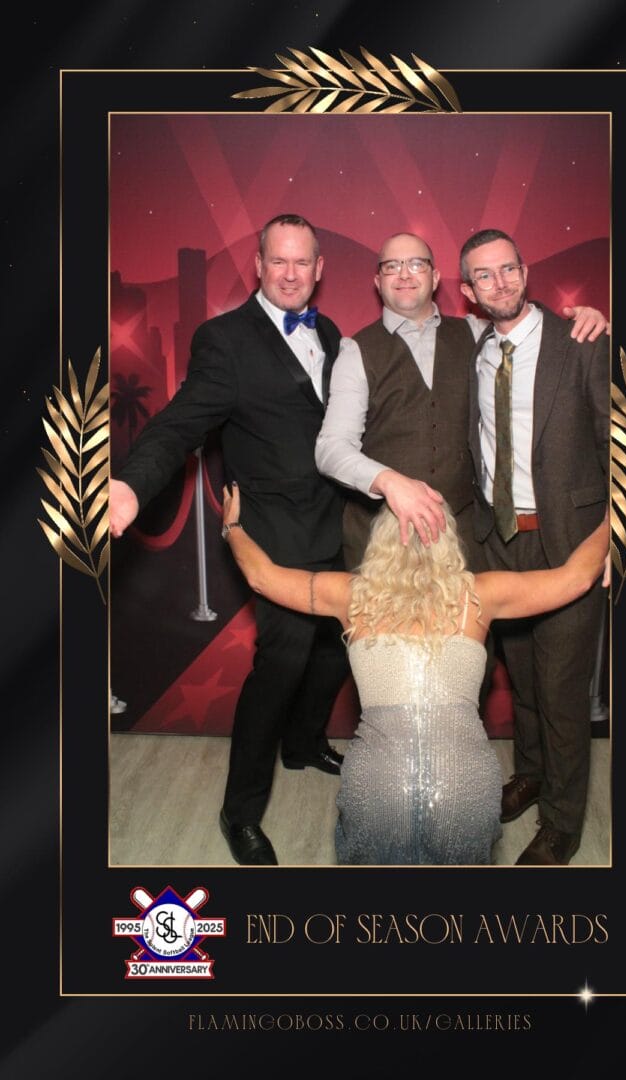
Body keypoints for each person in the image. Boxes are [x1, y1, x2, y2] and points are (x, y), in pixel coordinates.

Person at [109, 214, 349, 866]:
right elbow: (179, 422)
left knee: (337, 648)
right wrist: (131, 484)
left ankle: (304, 744)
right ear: (259, 266)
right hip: (272, 534)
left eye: (302, 262)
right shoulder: (225, 340)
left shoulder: (330, 332)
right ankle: (239, 812)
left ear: (319, 269)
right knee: (282, 664)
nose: (291, 274)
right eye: (279, 261)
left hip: (336, 521)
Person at [221, 481, 609, 865]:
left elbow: (261, 576)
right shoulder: (479, 595)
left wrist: (233, 528)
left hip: (377, 789)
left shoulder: (351, 595)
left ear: (380, 540)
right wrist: (613, 522)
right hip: (464, 789)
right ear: (448, 539)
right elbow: (577, 577)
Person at [315, 231, 607, 572]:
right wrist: (389, 481)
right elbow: (331, 448)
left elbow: (525, 324)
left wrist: (589, 319)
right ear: (378, 282)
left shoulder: (477, 333)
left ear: (436, 277)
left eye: (417, 264)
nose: (405, 274)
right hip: (383, 544)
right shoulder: (355, 350)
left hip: (464, 544)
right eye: (392, 266)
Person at [459, 227, 609, 866]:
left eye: (508, 269)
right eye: (484, 275)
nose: (500, 283)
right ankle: (531, 774)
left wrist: (615, 539)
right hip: (500, 543)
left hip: (567, 544)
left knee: (562, 691)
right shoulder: (474, 351)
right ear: (468, 291)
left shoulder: (582, 343)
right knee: (520, 677)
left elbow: (624, 447)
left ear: (525, 271)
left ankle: (563, 824)